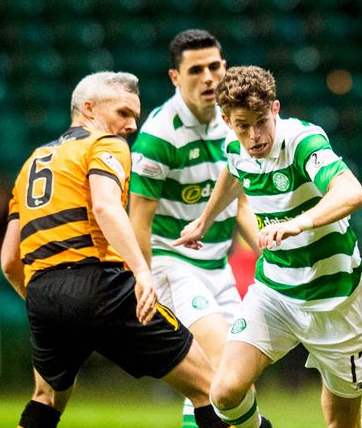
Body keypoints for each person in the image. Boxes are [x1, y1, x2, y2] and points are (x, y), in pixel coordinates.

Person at [0, 71, 227, 428]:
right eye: (123, 112)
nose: (132, 125)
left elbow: (10, 261)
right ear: (88, 108)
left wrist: (43, 301)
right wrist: (141, 272)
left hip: (42, 293)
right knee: (211, 387)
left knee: (46, 399)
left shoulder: (32, 163)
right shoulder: (105, 144)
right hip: (100, 285)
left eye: (135, 116)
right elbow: (106, 207)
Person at [176, 65, 362, 428]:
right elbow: (232, 172)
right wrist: (204, 220)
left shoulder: (304, 142)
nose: (254, 136)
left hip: (336, 303)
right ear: (226, 121)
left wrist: (298, 223)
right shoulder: (236, 146)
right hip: (275, 294)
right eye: (242, 126)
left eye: (261, 122)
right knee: (224, 392)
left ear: (276, 109)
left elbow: (352, 192)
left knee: (341, 423)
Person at [128, 28, 263, 428]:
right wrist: (144, 279)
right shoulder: (159, 136)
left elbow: (241, 203)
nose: (209, 77)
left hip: (218, 265)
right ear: (175, 77)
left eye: (215, 66)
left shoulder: (232, 124)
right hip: (173, 264)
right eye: (196, 70)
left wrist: (269, 248)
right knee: (224, 364)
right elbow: (139, 220)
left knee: (229, 378)